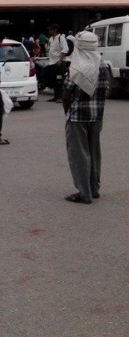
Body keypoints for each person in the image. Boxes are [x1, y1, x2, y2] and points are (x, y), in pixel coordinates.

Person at [62, 31, 109, 204]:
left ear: (79, 47)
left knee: (79, 155)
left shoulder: (76, 66)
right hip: (97, 116)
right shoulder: (102, 65)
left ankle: (84, 193)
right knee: (94, 153)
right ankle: (94, 189)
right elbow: (106, 90)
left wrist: (67, 113)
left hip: (77, 117)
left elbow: (66, 95)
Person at [45, 24, 69, 102]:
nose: (49, 31)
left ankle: (60, 97)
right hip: (51, 63)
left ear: (55, 30)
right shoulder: (50, 39)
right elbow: (49, 49)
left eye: (51, 29)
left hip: (58, 63)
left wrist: (60, 60)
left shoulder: (61, 38)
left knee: (59, 80)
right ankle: (56, 96)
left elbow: (65, 50)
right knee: (54, 80)